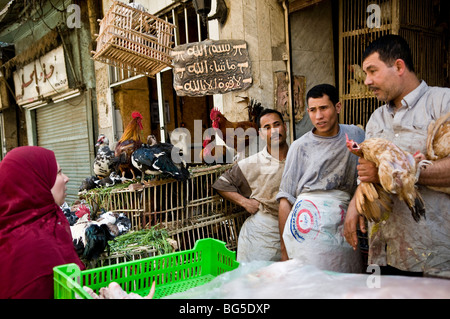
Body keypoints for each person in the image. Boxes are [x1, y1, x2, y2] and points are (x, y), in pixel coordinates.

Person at [344, 34, 450, 276]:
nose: (367, 81)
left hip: (433, 256)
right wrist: (354, 205)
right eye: (365, 74)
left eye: (372, 71)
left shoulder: (443, 102)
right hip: (384, 251)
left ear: (399, 66)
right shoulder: (376, 119)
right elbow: (367, 176)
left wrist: (395, 172)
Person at [277, 84, 365, 273]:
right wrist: (284, 251)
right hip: (306, 226)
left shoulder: (356, 135)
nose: (318, 116)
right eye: (313, 110)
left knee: (346, 284)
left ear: (338, 107)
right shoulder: (300, 147)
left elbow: (368, 175)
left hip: (343, 222)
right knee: (312, 284)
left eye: (324, 108)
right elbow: (285, 199)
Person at [0, 146, 85, 299]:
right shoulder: (37, 249)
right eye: (58, 172)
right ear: (34, 182)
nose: (66, 178)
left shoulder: (14, 230)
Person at [212, 109, 289, 262]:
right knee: (258, 280)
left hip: (299, 226)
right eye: (267, 127)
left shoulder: (299, 155)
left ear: (285, 127)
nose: (273, 131)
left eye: (277, 125)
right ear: (260, 134)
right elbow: (221, 183)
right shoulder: (253, 162)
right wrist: (245, 202)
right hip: (264, 233)